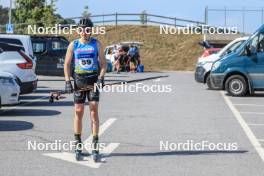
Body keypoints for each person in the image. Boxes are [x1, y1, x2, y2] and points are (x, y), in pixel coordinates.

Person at [64, 18, 107, 161]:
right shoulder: (73, 45)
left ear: (91, 31)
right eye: (81, 29)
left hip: (93, 79)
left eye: (87, 29)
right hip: (79, 81)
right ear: (78, 31)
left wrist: (101, 78)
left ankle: (95, 144)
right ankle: (78, 143)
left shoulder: (96, 44)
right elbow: (67, 64)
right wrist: (68, 81)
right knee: (78, 111)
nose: (84, 32)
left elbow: (103, 64)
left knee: (93, 111)